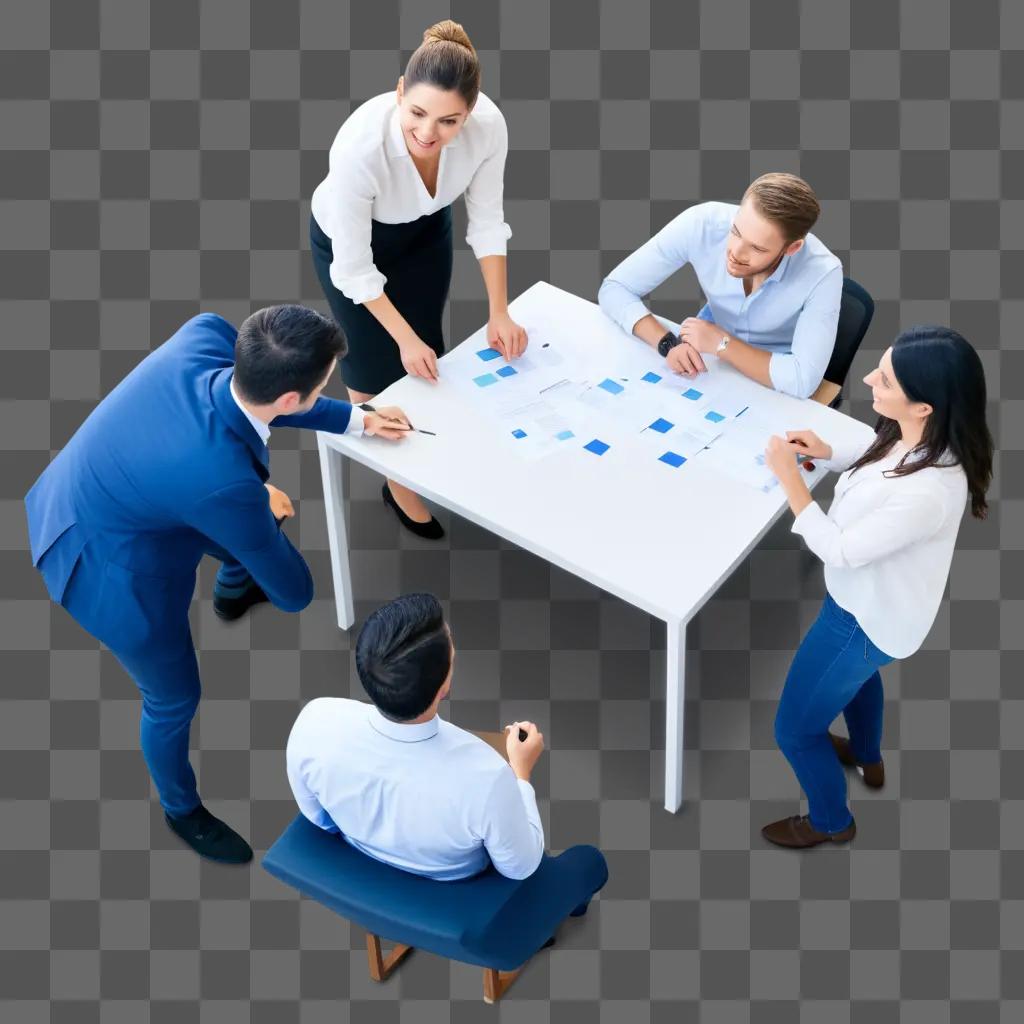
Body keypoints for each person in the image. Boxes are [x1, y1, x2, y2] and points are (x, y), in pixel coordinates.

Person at [25, 306, 411, 864]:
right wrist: (264, 509)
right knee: (172, 699)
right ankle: (181, 809)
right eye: (323, 384)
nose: (327, 389)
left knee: (237, 532)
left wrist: (358, 418)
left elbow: (261, 400)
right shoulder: (225, 486)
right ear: (290, 398)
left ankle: (232, 586)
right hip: (107, 570)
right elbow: (294, 593)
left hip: (119, 489)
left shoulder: (207, 334)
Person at [760, 325, 993, 848]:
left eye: (884, 379)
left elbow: (841, 548)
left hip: (858, 621)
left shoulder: (928, 492)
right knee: (862, 678)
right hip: (879, 618)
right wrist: (828, 449)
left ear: (924, 406)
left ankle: (830, 822)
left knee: (794, 732)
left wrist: (791, 481)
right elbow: (881, 459)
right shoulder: (926, 441)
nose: (868, 379)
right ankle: (867, 755)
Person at [310, 19, 527, 540]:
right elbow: (355, 270)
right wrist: (400, 338)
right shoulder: (358, 148)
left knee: (430, 343)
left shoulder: (489, 127)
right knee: (373, 359)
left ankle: (424, 447)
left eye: (450, 121)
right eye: (417, 113)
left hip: (426, 230)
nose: (430, 134)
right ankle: (397, 480)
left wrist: (500, 310)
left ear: (470, 112)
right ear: (399, 92)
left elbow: (488, 220)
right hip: (352, 244)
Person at [286, 593, 608, 914]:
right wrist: (521, 773)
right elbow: (520, 866)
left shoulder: (314, 721)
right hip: (455, 892)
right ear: (444, 685)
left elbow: (319, 820)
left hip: (360, 865)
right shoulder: (487, 775)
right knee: (588, 863)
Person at [598, 172, 842, 399]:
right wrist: (667, 343)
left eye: (757, 248)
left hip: (773, 378)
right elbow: (615, 288)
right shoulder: (702, 223)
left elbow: (801, 380)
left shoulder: (824, 272)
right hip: (708, 363)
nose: (735, 253)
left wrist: (721, 343)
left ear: (792, 248)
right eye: (735, 231)